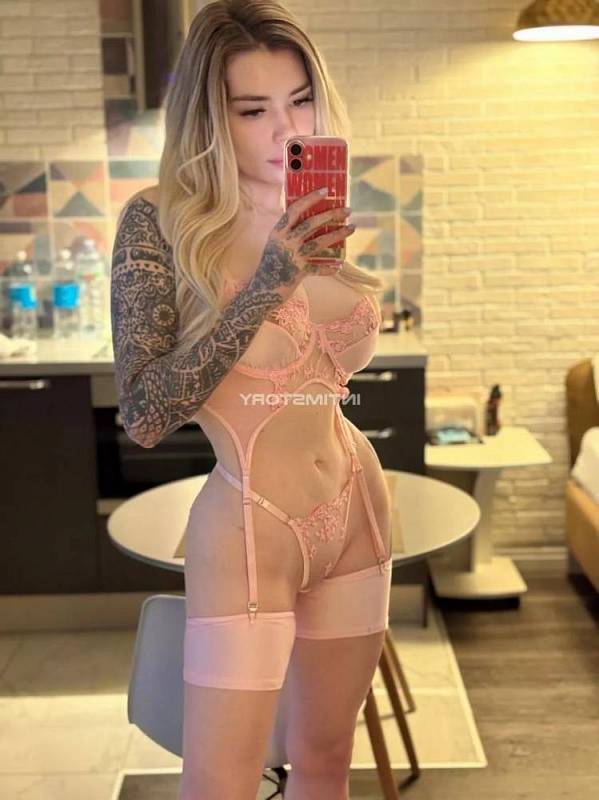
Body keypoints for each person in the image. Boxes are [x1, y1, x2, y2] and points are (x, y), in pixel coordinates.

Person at [110, 1, 393, 798]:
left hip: (357, 506)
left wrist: (306, 262)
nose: (285, 129)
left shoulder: (313, 209)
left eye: (300, 100)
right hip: (248, 527)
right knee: (220, 783)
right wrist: (268, 282)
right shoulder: (160, 223)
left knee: (326, 763)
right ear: (210, 118)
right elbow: (145, 413)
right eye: (252, 109)